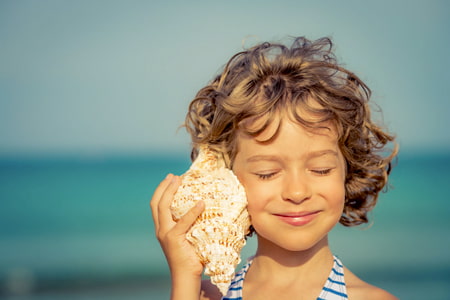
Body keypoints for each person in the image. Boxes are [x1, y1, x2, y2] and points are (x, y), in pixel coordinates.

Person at [150, 36, 398, 300]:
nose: (297, 191)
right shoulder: (202, 295)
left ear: (348, 168)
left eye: (321, 169)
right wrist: (186, 275)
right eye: (267, 173)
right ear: (228, 179)